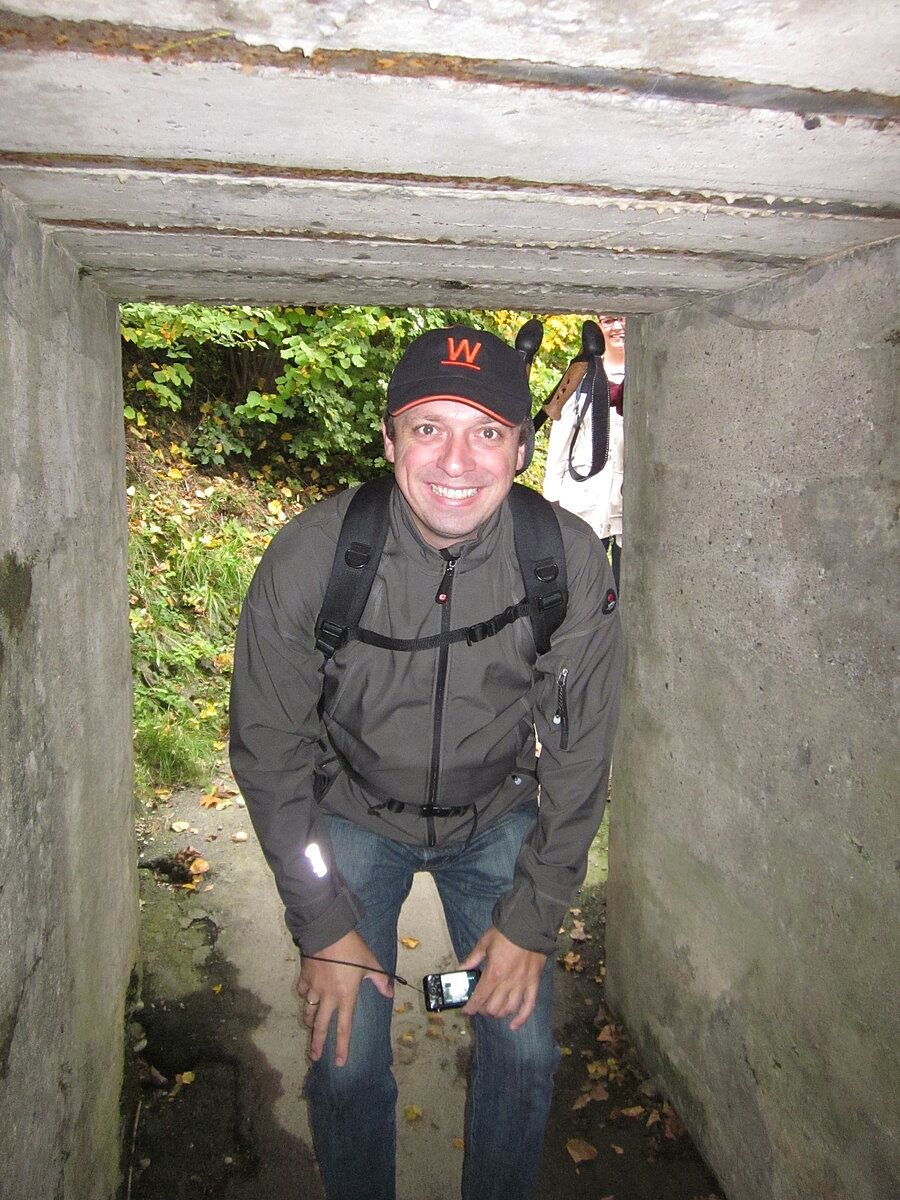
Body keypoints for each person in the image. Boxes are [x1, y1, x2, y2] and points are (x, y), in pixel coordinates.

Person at [229, 324, 624, 1200]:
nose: (456, 461)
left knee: (525, 1046)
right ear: (388, 440)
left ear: (521, 449)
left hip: (496, 811)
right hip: (354, 812)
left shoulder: (562, 558)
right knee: (343, 1057)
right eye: (427, 428)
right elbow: (270, 752)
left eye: (486, 432)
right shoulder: (315, 555)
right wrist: (320, 921)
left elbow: (581, 755)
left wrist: (533, 918)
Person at [542, 315, 626, 588]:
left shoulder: (650, 375)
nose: (617, 327)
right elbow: (561, 436)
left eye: (623, 319)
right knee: (581, 586)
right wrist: (552, 499)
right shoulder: (581, 375)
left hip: (627, 504)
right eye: (609, 320)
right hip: (585, 499)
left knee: (628, 587)